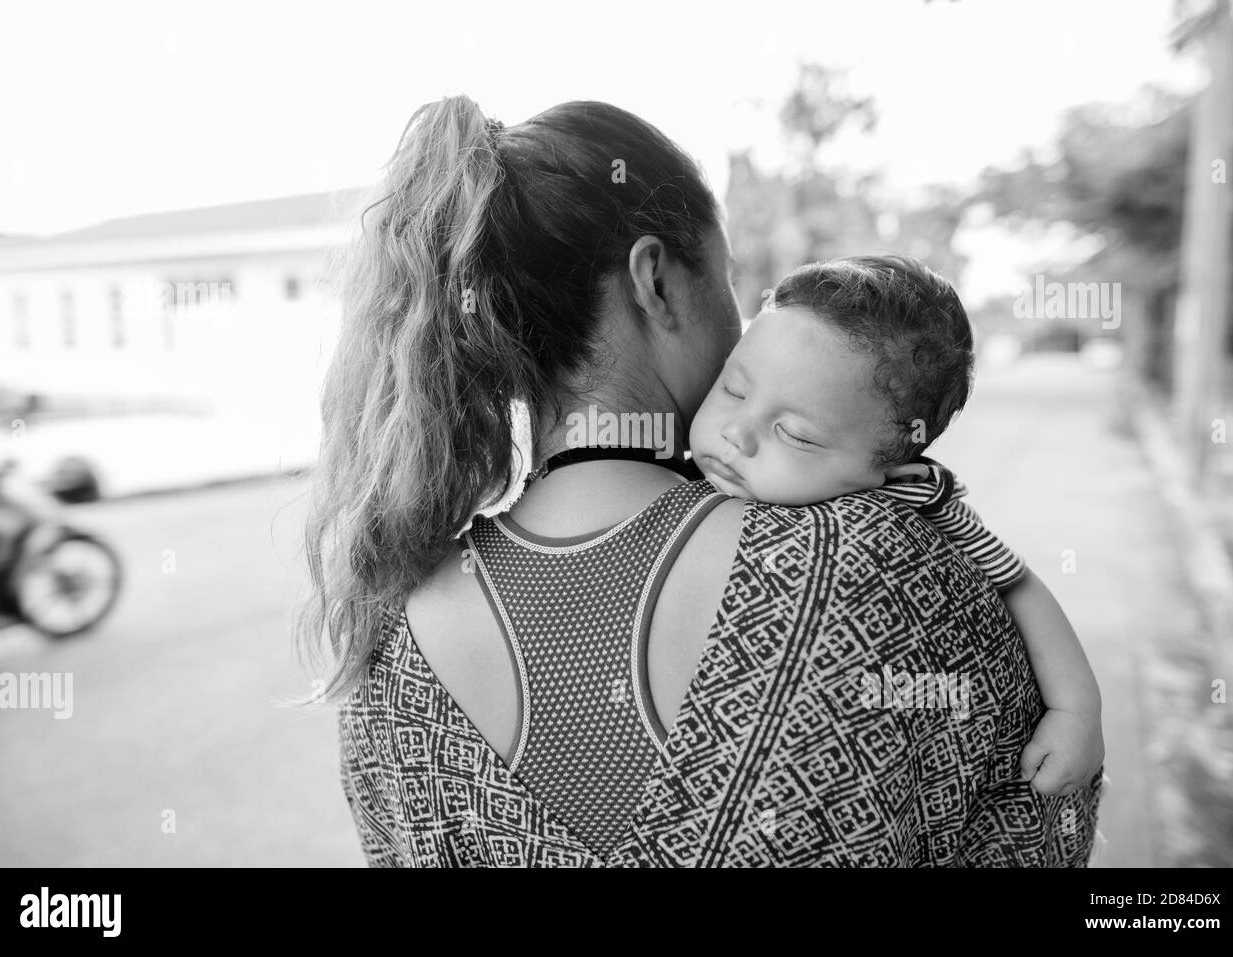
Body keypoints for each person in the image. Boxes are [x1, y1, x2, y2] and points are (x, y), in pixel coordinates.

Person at [299, 95, 1101, 866]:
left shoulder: (387, 658)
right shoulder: (883, 564)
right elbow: (1036, 821)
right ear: (656, 280)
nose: (737, 326)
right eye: (727, 281)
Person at [688, 256, 1105, 796]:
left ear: (889, 474)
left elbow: (1017, 583)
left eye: (794, 433)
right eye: (734, 390)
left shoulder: (915, 498)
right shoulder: (668, 467)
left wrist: (1077, 709)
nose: (736, 433)